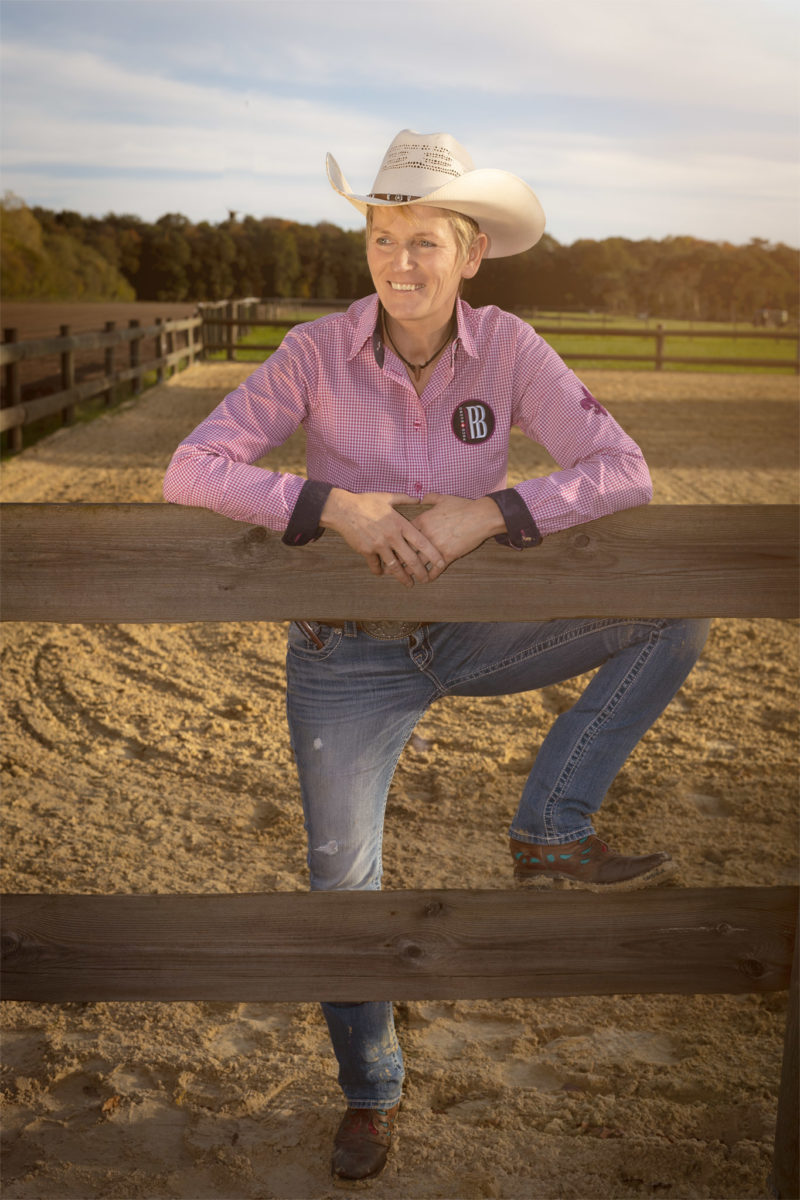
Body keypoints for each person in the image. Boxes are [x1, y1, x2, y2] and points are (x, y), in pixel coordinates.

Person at [163, 129, 709, 1185]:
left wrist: (490, 515)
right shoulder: (317, 351)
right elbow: (194, 468)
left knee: (671, 616)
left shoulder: (508, 346)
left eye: (423, 241)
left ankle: (551, 827)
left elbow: (621, 470)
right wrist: (333, 509)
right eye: (380, 238)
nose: (398, 262)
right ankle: (369, 1094)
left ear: (472, 254)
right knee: (342, 887)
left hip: (468, 633)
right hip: (343, 658)